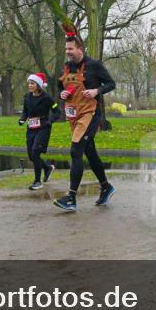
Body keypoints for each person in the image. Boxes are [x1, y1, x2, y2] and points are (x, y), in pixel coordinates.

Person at [53, 28, 117, 212]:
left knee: (75, 150)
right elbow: (60, 86)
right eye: (66, 49)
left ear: (80, 49)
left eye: (70, 49)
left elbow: (111, 84)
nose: (67, 52)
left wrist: (97, 91)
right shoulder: (66, 67)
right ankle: (106, 186)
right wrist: (62, 93)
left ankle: (71, 198)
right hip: (74, 115)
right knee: (90, 152)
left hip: (90, 114)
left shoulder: (94, 65)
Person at [19, 72, 60, 190]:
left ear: (38, 85)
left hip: (43, 128)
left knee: (35, 152)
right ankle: (47, 168)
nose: (30, 85)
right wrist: (22, 119)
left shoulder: (47, 98)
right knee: (31, 156)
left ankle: (37, 181)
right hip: (31, 128)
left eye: (32, 83)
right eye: (29, 83)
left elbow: (57, 111)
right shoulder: (27, 97)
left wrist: (50, 121)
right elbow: (25, 111)